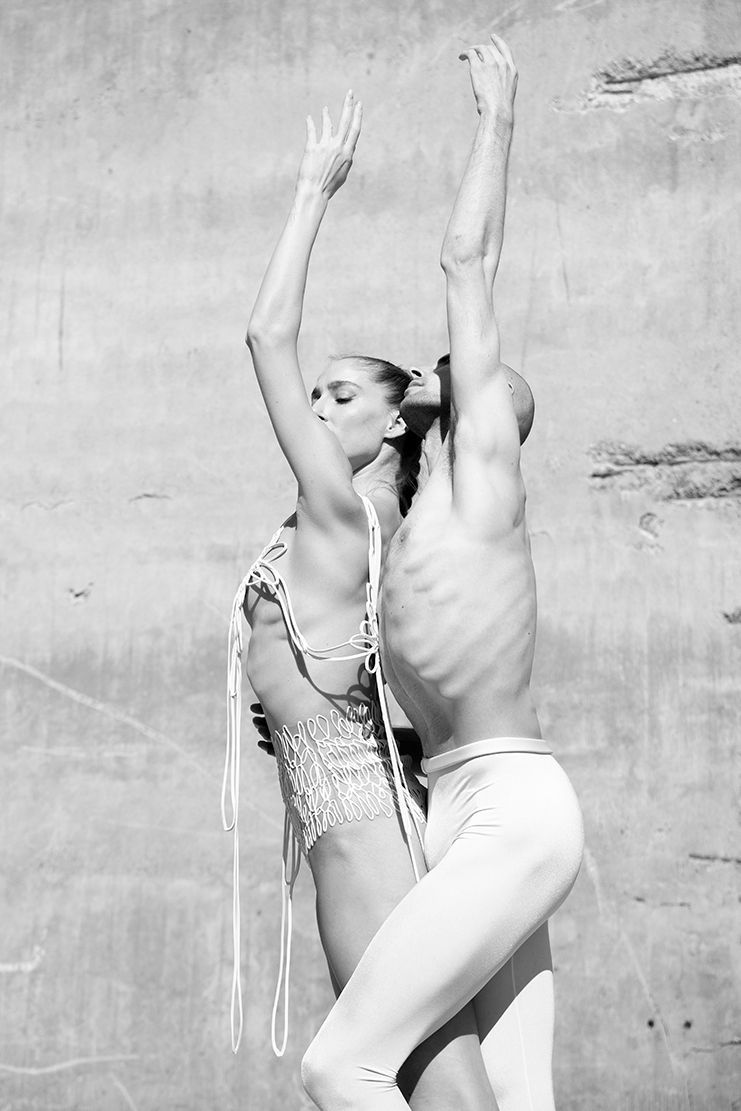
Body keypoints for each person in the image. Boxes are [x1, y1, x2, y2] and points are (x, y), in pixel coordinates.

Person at [300, 35, 584, 1111]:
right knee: (516, 1097)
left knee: (345, 1064)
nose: (452, 367)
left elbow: (470, 266)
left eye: (474, 374)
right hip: (448, 801)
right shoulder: (403, 517)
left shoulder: (485, 484)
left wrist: (496, 118)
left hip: (513, 802)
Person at [222, 90, 501, 1110]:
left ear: (390, 428)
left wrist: (309, 192)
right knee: (423, 1078)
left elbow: (263, 337)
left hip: (366, 837)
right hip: (359, 823)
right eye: (320, 393)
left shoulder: (343, 510)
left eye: (341, 395)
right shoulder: (371, 518)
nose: (315, 403)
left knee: (405, 1079)